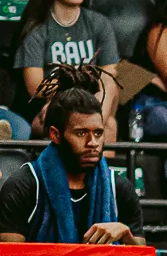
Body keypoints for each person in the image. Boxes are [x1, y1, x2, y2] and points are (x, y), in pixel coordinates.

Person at [0, 86, 143, 243]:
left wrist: (125, 234)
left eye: (98, 133)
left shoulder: (119, 188)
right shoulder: (24, 185)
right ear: (55, 135)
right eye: (81, 133)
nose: (93, 143)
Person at [14, 0, 117, 119]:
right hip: (50, 109)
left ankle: (97, 124)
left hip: (92, 104)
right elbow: (36, 88)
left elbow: (109, 75)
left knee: (110, 115)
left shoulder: (100, 23)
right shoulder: (37, 28)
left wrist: (95, 111)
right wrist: (73, 90)